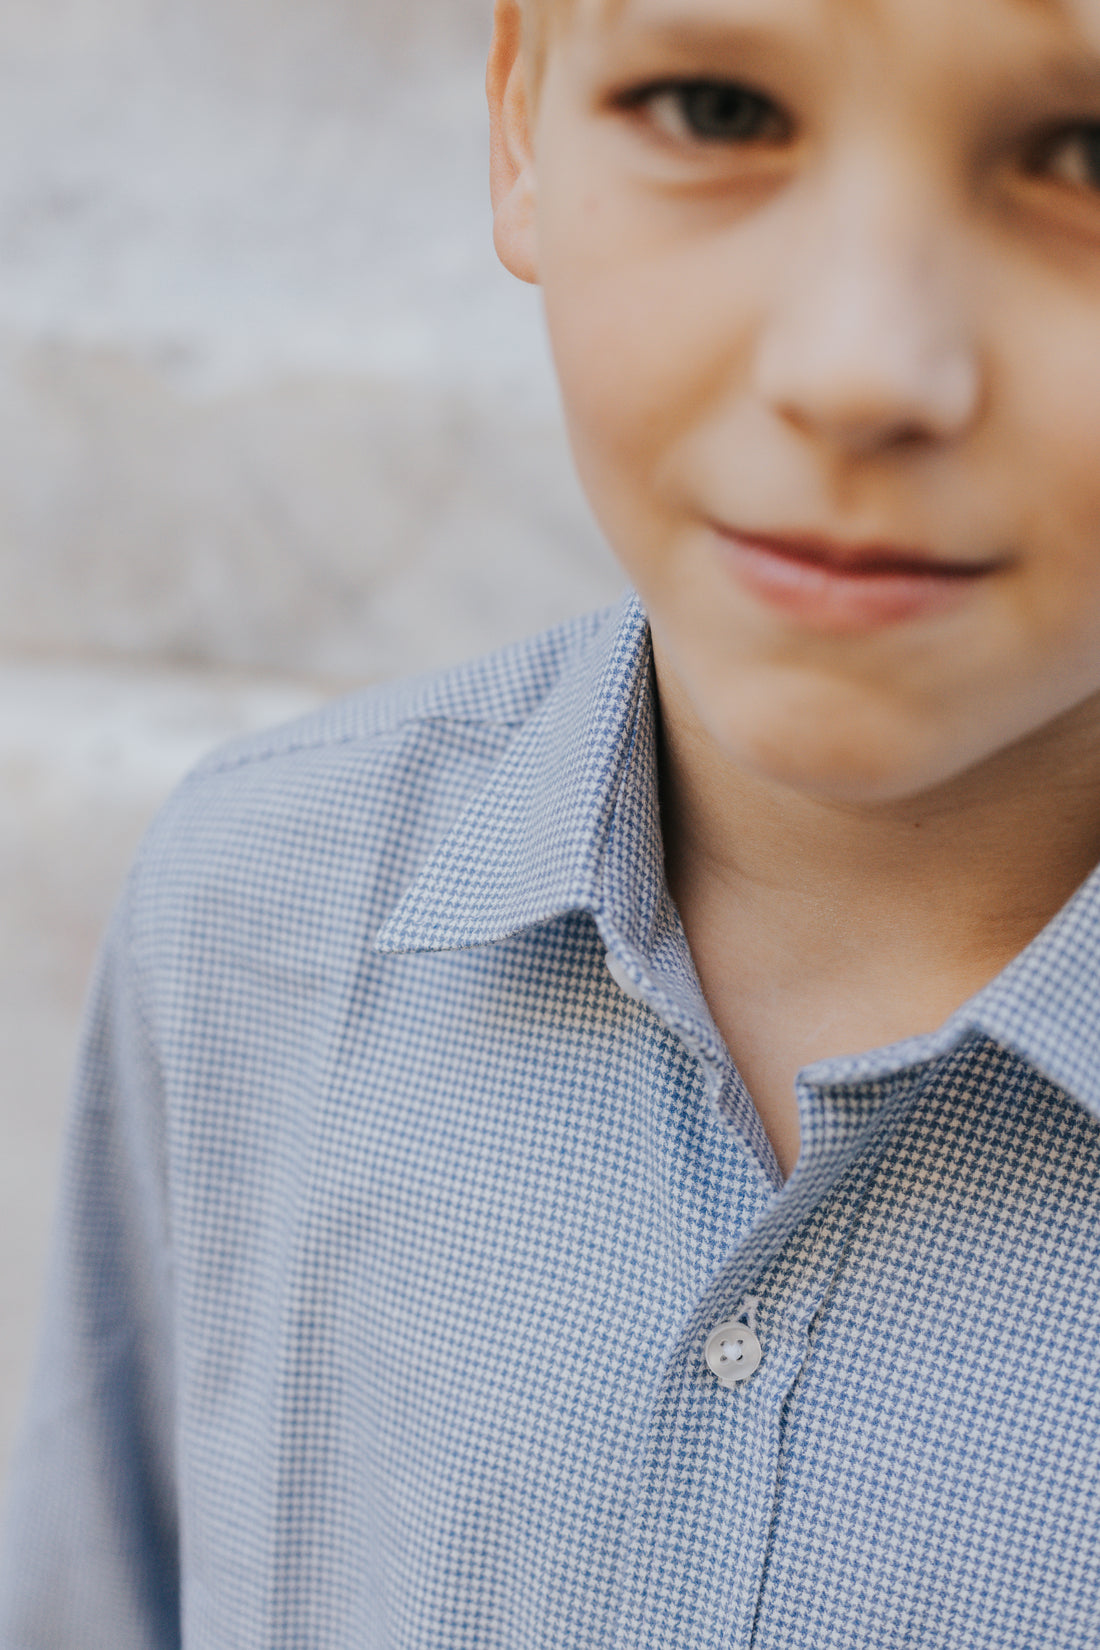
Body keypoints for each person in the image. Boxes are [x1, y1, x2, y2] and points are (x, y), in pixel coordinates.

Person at [4, 0, 1100, 1641]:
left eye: (1084, 153)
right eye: (718, 109)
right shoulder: (257, 909)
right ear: (519, 116)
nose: (860, 369)